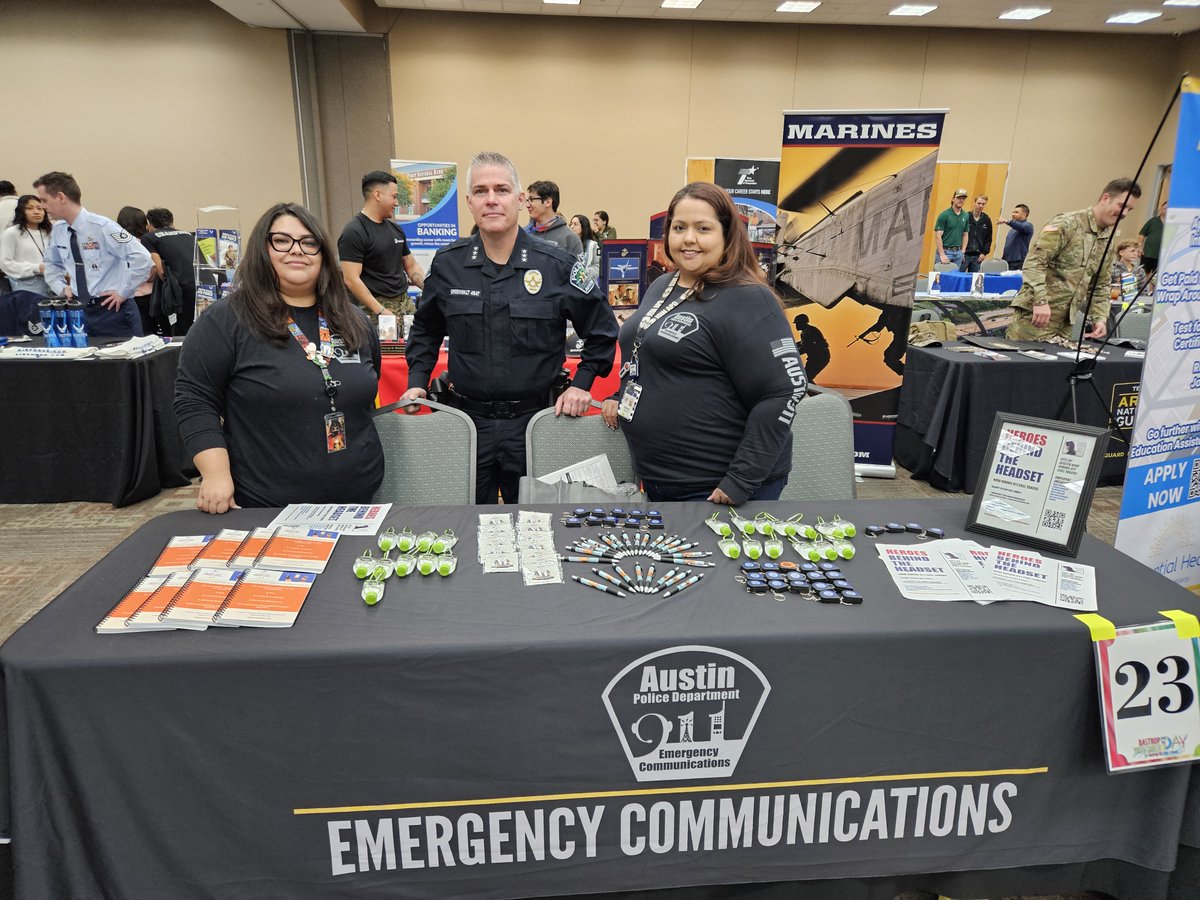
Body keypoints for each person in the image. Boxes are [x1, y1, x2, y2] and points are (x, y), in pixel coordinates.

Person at [400, 151, 617, 504]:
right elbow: (425, 330)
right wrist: (416, 383)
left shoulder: (557, 265)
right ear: (469, 202)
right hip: (468, 425)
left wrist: (581, 385)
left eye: (501, 190)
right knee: (469, 523)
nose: (491, 199)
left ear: (519, 200)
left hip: (537, 425)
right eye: (481, 191)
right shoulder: (448, 264)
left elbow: (602, 330)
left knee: (540, 524)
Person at [601, 181, 806, 505]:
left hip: (717, 489)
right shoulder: (664, 285)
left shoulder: (748, 298)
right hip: (662, 480)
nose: (689, 238)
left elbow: (784, 390)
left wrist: (740, 481)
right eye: (679, 227)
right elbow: (646, 350)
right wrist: (620, 393)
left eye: (703, 228)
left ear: (727, 235)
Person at [175, 202, 384, 513]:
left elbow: (367, 390)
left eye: (309, 242)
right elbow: (194, 400)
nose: (296, 250)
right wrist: (215, 474)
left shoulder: (354, 320)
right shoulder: (226, 319)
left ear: (323, 254)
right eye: (282, 240)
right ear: (263, 250)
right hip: (267, 506)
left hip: (359, 502)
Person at [1006, 177, 1141, 342]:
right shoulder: (1067, 224)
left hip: (1067, 323)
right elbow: (1035, 263)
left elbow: (1100, 284)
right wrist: (1040, 301)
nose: (1125, 214)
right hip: (1035, 317)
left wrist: (1099, 317)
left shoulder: (1107, 239)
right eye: (1122, 206)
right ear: (1105, 198)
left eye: (1129, 210)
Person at [34, 171, 151, 337]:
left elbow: (143, 259)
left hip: (112, 310)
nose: (42, 206)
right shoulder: (58, 230)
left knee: (121, 362)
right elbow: (51, 263)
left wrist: (124, 292)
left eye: (44, 200)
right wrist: (61, 288)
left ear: (61, 197)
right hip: (78, 311)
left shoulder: (104, 227)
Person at [338, 170, 425, 321]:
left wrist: (431, 288)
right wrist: (381, 311)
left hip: (406, 307)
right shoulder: (354, 231)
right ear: (378, 195)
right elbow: (351, 279)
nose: (396, 202)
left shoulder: (395, 229)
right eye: (394, 197)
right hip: (375, 311)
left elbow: (410, 266)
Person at [143, 208, 198, 335]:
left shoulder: (149, 238)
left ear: (150, 225)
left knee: (182, 332)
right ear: (172, 223)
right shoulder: (188, 234)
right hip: (203, 283)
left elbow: (160, 269)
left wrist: (169, 290)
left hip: (182, 287)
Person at [117, 206, 161, 336]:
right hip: (150, 295)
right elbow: (152, 271)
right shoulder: (146, 243)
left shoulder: (118, 244)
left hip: (127, 295)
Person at [0, 195, 53, 296]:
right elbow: (5, 263)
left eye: (40, 208)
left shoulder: (48, 232)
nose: (36, 212)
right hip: (26, 285)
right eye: (29, 208)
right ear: (21, 211)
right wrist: (37, 267)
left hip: (50, 282)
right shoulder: (12, 233)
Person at [524, 180, 583, 256]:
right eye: (527, 200)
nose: (528, 205)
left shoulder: (570, 239)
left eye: (532, 200)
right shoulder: (523, 234)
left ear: (548, 202)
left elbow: (578, 267)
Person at [933, 188, 969, 270]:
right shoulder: (944, 215)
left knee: (954, 279)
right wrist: (942, 254)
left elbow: (965, 234)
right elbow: (938, 236)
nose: (961, 200)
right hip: (945, 251)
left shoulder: (965, 216)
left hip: (958, 253)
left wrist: (962, 251)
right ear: (953, 199)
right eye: (959, 198)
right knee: (939, 279)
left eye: (963, 198)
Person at [792, 312, 830, 381]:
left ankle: (815, 391)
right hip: (819, 358)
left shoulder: (807, 332)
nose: (796, 325)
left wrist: (792, 354)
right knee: (806, 377)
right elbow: (803, 343)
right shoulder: (809, 330)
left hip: (818, 358)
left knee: (806, 378)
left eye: (797, 323)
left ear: (802, 323)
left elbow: (804, 347)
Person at [1110, 238, 1148, 303]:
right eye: (1132, 251)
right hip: (1116, 303)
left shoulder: (1140, 271)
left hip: (1135, 304)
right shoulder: (1112, 269)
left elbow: (1143, 292)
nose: (1135, 254)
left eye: (1137, 251)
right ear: (1121, 253)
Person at [963, 194, 993, 273]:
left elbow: (988, 239)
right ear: (974, 203)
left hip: (978, 256)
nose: (980, 206)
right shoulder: (966, 217)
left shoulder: (986, 220)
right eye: (979, 203)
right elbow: (960, 235)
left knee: (974, 281)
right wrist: (961, 252)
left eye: (983, 204)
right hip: (964, 254)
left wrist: (984, 253)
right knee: (959, 277)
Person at [998, 203, 1033, 270]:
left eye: (1016, 212)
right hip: (1006, 261)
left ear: (1024, 214)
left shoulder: (1028, 226)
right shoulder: (1012, 229)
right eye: (1013, 212)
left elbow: (1021, 226)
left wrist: (1007, 221)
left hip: (1018, 262)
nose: (1013, 214)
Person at [1138, 198, 1167, 278]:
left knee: (1156, 276)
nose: (1167, 210)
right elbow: (1141, 235)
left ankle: (1151, 290)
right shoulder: (1152, 221)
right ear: (1161, 209)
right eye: (1165, 208)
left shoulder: (1171, 223)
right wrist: (1140, 247)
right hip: (1148, 253)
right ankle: (1143, 290)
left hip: (1162, 255)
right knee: (1143, 274)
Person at [570, 213, 600, 283]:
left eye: (575, 224)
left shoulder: (592, 245)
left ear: (583, 227)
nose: (572, 227)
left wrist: (584, 272)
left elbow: (598, 266)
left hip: (588, 284)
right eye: (571, 224)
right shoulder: (568, 244)